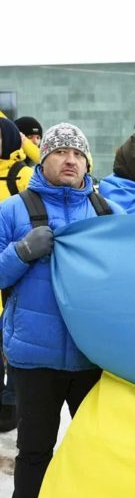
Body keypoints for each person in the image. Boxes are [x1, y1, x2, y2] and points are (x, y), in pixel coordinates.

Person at [0, 122, 125, 498]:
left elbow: (128, 279)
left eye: (78, 153)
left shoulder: (106, 213)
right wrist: (21, 252)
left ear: (87, 163)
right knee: (34, 449)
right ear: (44, 159)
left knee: (101, 447)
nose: (70, 160)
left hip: (92, 356)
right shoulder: (12, 212)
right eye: (60, 152)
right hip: (35, 357)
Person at [0, 119, 35, 432]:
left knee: (13, 338)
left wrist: (28, 145)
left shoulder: (22, 174)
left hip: (16, 267)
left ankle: (11, 403)